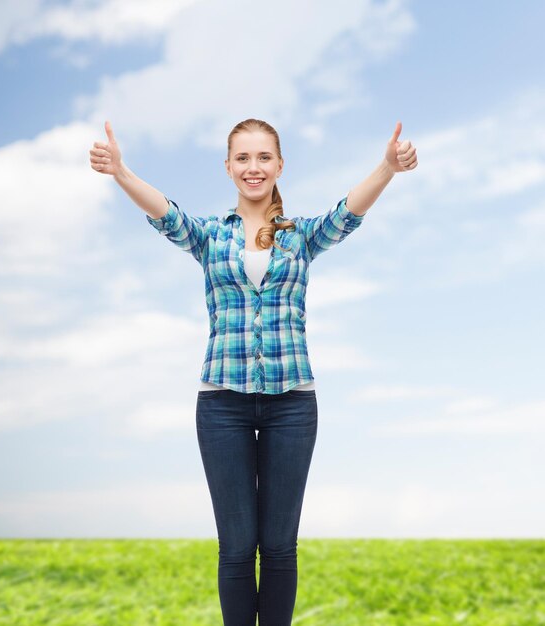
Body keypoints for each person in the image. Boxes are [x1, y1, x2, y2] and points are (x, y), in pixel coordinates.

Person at [89, 117, 417, 625]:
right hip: (222, 403)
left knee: (281, 546)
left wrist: (387, 167)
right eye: (243, 158)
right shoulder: (208, 238)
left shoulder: (299, 236)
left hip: (292, 402)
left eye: (264, 157)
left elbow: (346, 214)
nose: (253, 167)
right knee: (238, 547)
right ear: (228, 168)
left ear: (279, 165)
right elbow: (166, 215)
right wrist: (122, 173)